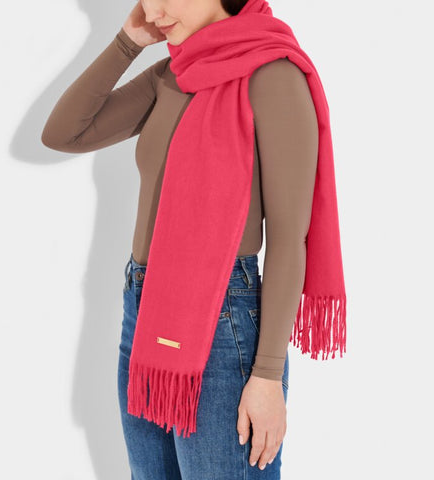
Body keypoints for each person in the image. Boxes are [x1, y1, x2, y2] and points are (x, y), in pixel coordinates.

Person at [41, 0, 319, 477]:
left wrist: (268, 374)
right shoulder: (174, 74)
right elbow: (65, 134)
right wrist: (128, 43)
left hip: (223, 325)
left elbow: (291, 239)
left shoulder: (274, 76)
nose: (153, 9)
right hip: (144, 313)